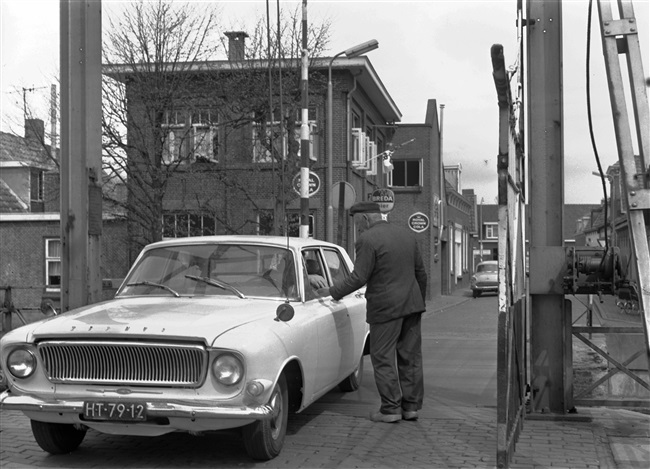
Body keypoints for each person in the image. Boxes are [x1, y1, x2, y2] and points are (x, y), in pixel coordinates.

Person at [329, 201, 427, 423]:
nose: (359, 228)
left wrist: (333, 292)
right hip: (412, 305)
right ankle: (410, 407)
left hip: (385, 308)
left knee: (382, 357)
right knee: (410, 357)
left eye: (358, 223)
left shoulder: (367, 240)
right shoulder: (407, 235)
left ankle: (391, 409)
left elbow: (359, 277)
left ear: (364, 219)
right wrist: (418, 301)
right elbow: (421, 273)